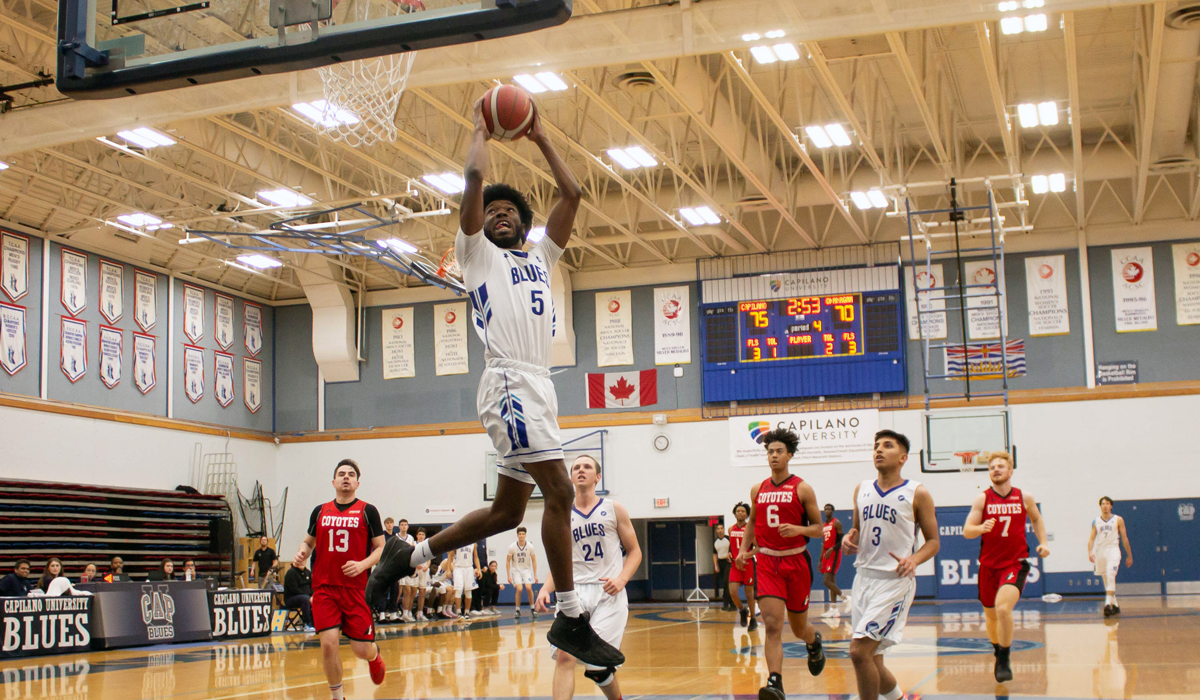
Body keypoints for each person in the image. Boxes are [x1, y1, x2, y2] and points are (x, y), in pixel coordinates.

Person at [366, 97, 622, 668]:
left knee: (509, 513)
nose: (499, 213)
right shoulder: (475, 253)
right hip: (508, 381)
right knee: (559, 493)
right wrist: (480, 129)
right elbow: (476, 177)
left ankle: (410, 555)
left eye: (510, 210)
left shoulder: (541, 258)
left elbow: (573, 194)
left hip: (539, 386)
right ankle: (571, 615)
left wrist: (541, 136)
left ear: (524, 225)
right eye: (492, 210)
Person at [842, 430, 940, 700]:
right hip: (863, 579)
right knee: (873, 661)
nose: (879, 450)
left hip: (894, 582)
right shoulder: (861, 490)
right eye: (876, 446)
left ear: (903, 457)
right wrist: (847, 540)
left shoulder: (917, 493)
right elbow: (856, 531)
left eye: (887, 446)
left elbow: (933, 542)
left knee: (859, 651)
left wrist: (914, 559)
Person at [536, 455, 642, 700]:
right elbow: (560, 561)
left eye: (587, 466)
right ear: (571, 477)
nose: (581, 470)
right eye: (576, 467)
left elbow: (635, 551)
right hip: (572, 593)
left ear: (597, 476)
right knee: (565, 656)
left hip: (608, 593)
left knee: (597, 667)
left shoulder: (614, 509)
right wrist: (545, 588)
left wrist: (622, 579)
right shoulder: (561, 514)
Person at [737, 428, 826, 700]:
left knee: (799, 629)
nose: (773, 456)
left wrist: (798, 529)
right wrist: (743, 548)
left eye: (778, 452)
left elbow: (819, 529)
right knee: (773, 624)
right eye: (770, 452)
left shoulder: (802, 488)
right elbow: (752, 522)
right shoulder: (757, 489)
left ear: (789, 455)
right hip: (766, 563)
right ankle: (775, 682)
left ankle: (814, 643)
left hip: (796, 562)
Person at [292, 459, 388, 699]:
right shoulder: (320, 511)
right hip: (325, 588)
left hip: (356, 589)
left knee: (360, 648)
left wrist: (363, 564)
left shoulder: (368, 511)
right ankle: (337, 697)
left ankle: (374, 656)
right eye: (341, 474)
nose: (346, 477)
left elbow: (381, 548)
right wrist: (303, 552)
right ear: (333, 481)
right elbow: (308, 541)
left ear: (357, 482)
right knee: (328, 643)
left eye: (351, 474)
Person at [963, 451, 1050, 682]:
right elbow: (967, 531)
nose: (996, 470)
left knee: (1003, 609)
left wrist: (1043, 542)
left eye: (1001, 466)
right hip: (988, 566)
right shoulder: (982, 499)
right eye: (992, 467)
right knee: (991, 616)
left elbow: (1037, 519)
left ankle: (1004, 657)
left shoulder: (1024, 497)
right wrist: (981, 528)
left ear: (1010, 471)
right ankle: (997, 651)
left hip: (1015, 563)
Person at [1087, 496, 1133, 617]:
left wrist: (1129, 555)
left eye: (1108, 503)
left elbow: (1125, 538)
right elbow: (1091, 539)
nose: (1105, 505)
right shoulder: (1096, 521)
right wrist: (1090, 552)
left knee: (1111, 574)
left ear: (1111, 506)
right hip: (1100, 551)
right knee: (1106, 579)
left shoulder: (1118, 519)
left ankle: (1107, 604)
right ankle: (1115, 605)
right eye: (1103, 503)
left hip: (1113, 550)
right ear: (1100, 506)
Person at [727, 502, 758, 632]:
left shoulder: (750, 529)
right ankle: (742, 610)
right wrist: (729, 552)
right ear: (734, 513)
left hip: (747, 564)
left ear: (747, 514)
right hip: (735, 565)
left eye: (743, 511)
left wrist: (746, 555)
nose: (740, 513)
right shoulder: (730, 529)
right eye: (738, 511)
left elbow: (758, 548)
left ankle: (753, 619)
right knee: (733, 592)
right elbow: (733, 545)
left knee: (749, 594)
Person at [819, 505, 846, 618]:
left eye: (829, 509)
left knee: (826, 581)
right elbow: (824, 543)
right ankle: (834, 609)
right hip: (826, 554)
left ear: (833, 511)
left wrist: (832, 549)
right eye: (825, 509)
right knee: (832, 582)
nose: (827, 511)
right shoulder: (824, 525)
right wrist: (820, 560)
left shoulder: (836, 523)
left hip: (834, 553)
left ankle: (845, 597)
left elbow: (842, 541)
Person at [507, 526, 539, 620]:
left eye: (523, 534)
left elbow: (534, 560)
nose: (521, 535)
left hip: (526, 570)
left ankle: (533, 609)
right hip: (516, 570)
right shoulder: (512, 547)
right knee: (519, 589)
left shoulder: (530, 546)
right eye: (520, 534)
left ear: (525, 535)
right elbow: (508, 561)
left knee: (529, 587)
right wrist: (508, 575)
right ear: (517, 535)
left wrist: (535, 575)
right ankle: (517, 610)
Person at [394, 519, 419, 622]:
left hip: (407, 566)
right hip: (398, 566)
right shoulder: (395, 537)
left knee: (408, 590)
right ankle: (393, 611)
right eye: (402, 525)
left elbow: (413, 552)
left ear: (408, 526)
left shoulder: (411, 538)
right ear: (399, 526)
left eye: (405, 525)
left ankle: (406, 612)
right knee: (398, 591)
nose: (404, 526)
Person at [285, 557, 315, 631]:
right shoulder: (291, 572)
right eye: (300, 561)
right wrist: (309, 597)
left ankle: (316, 623)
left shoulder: (308, 572)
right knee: (305, 599)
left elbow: (312, 586)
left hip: (306, 597)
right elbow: (294, 589)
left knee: (317, 598)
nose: (302, 562)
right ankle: (307, 623)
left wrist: (313, 596)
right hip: (292, 598)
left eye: (303, 561)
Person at [452, 543, 483, 618]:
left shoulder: (474, 544)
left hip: (469, 568)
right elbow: (450, 555)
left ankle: (467, 612)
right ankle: (458, 612)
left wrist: (479, 569)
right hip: (458, 567)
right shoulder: (456, 541)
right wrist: (449, 570)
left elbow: (475, 557)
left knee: (468, 591)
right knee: (458, 590)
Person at [713, 523, 732, 609]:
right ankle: (731, 604)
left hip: (728, 562)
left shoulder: (728, 539)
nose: (720, 530)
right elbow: (714, 554)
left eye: (721, 528)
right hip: (721, 563)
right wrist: (716, 565)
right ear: (717, 530)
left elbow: (732, 550)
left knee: (726, 582)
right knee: (725, 585)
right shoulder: (715, 542)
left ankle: (725, 604)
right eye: (718, 528)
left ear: (724, 529)